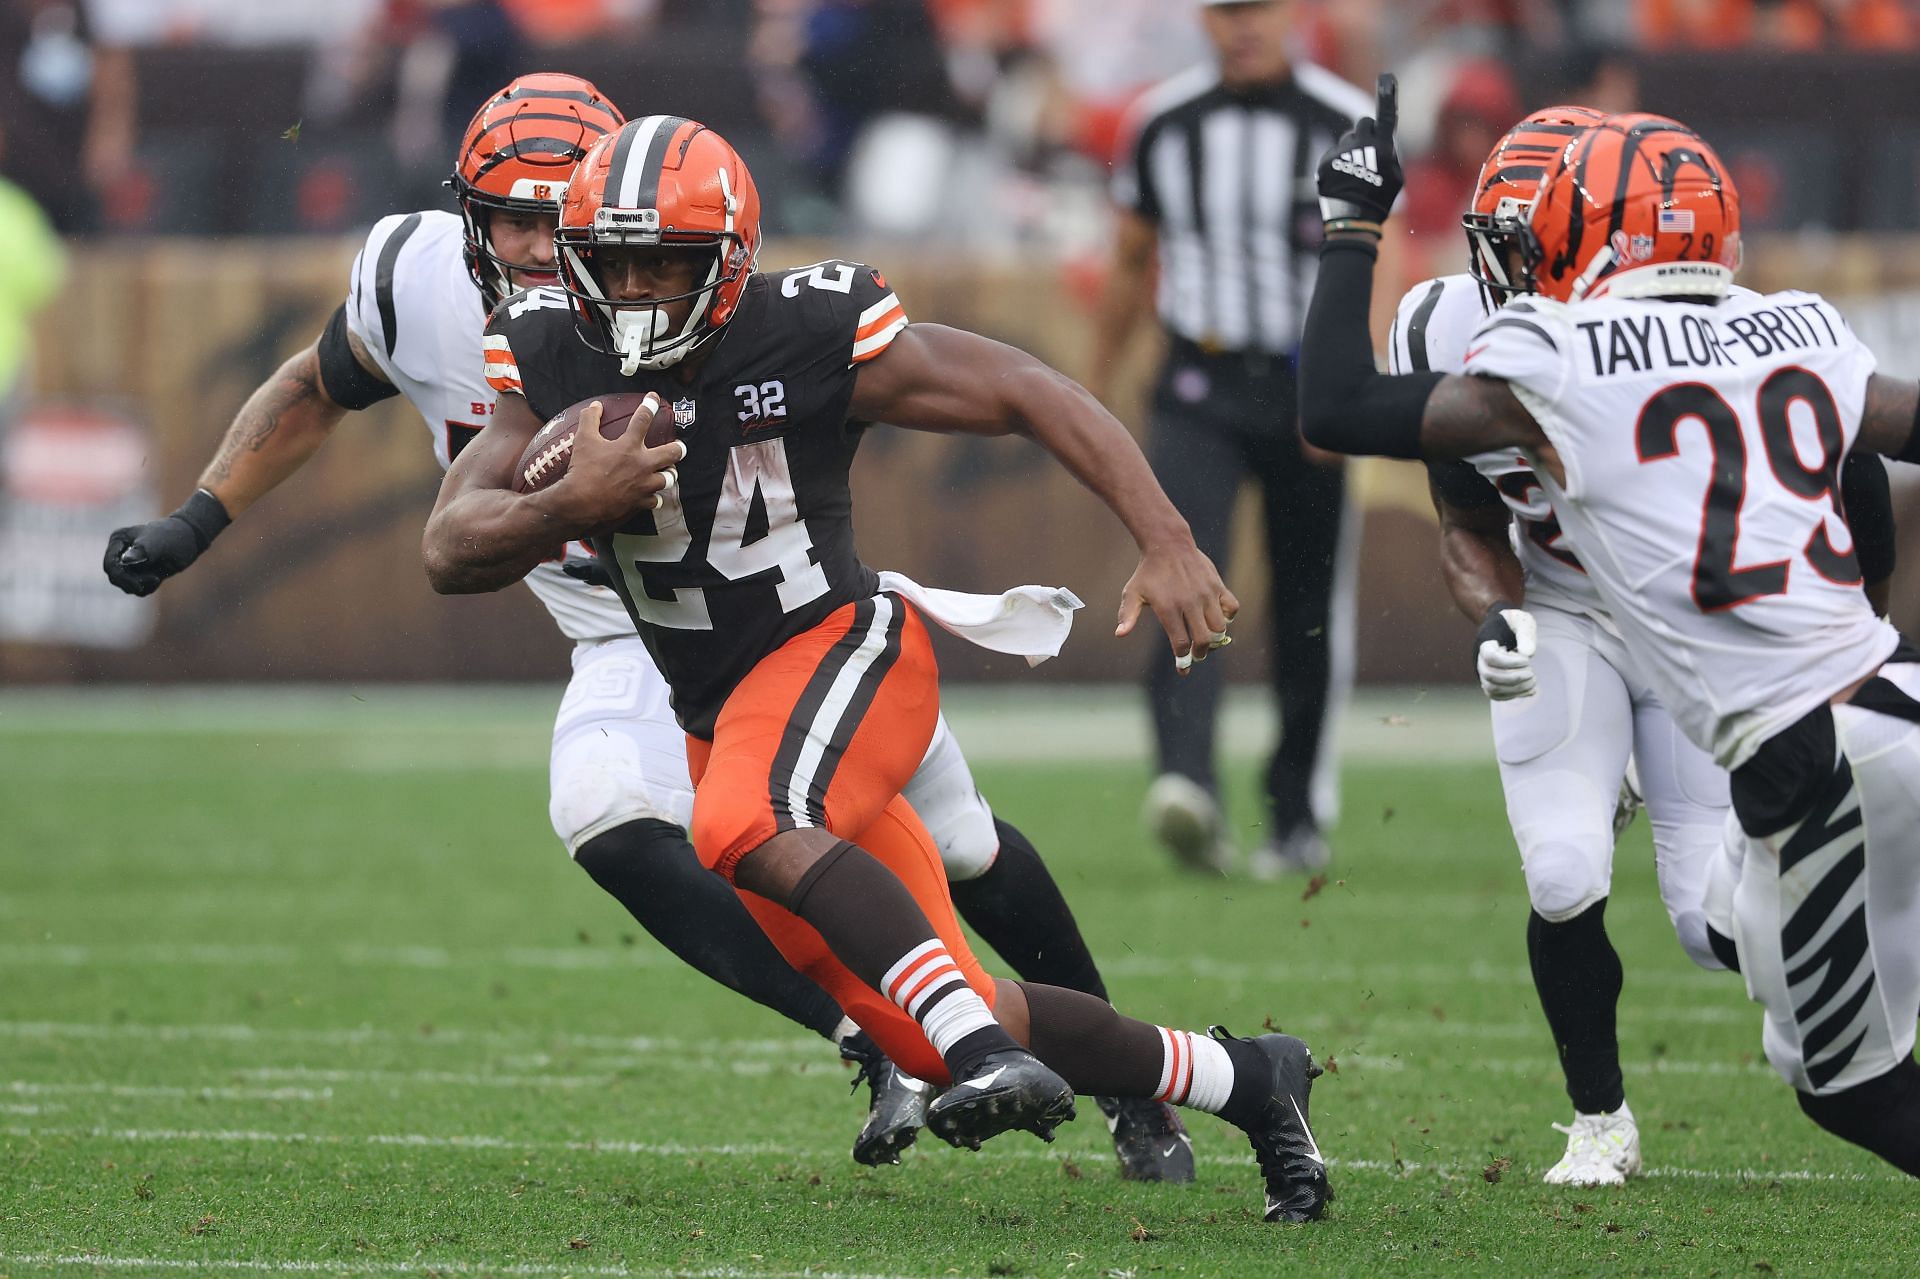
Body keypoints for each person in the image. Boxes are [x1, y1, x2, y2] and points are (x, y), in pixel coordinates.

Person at [99, 74, 1193, 1182]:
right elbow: (321, 387)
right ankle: (873, 1034)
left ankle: (1139, 1088)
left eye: (555, 213)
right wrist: (199, 518)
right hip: (624, 627)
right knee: (608, 808)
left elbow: (1007, 385)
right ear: (466, 218)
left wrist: (1166, 536)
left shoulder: (706, 295)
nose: (532, 248)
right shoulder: (428, 290)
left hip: (790, 610)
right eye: (509, 220)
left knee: (959, 844)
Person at [426, 115, 1332, 1222]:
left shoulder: (806, 331)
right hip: (720, 707)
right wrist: (564, 503)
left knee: (741, 824)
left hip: (842, 649)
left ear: (733, 262)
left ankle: (976, 1044)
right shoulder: (553, 348)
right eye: (612, 264)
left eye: (666, 262)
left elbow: (1026, 389)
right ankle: (1247, 1077)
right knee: (937, 1007)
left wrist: (1169, 536)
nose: (636, 292)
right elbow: (449, 543)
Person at [1302, 85, 1920, 1176]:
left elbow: (1336, 408)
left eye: (1526, 233)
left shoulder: (1559, 356)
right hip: (1809, 677)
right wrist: (1498, 617)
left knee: (1805, 1029)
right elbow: (1866, 461)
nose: (1502, 256)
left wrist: (1351, 224)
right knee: (1578, 875)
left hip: (1790, 730)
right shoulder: (1797, 325)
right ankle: (1601, 1117)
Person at [1091, 0, 1380, 878]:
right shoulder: (1162, 122)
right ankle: (1187, 780)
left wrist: (1348, 388)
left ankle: (1294, 813)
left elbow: (1374, 260)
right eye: (1225, 11)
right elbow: (1133, 257)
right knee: (1181, 572)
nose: (1242, 27)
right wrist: (1094, 385)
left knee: (1305, 609)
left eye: (1255, 9)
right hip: (1197, 383)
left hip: (1304, 386)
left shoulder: (1343, 124)